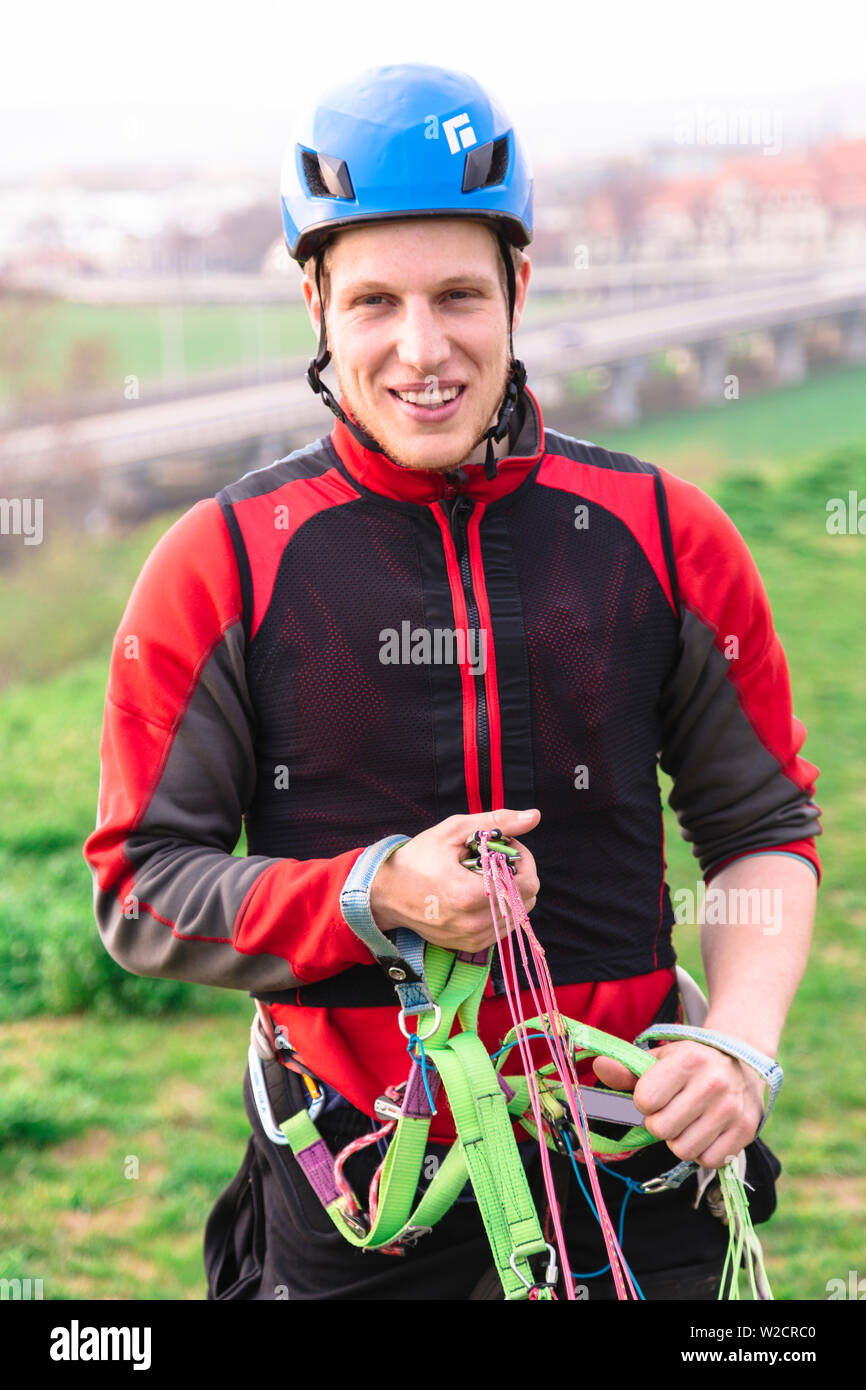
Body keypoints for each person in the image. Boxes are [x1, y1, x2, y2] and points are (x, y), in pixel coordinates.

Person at [83, 63, 821, 1301]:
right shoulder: (221, 563)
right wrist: (374, 895)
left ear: (518, 290)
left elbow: (760, 826)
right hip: (361, 1176)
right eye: (372, 300)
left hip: (629, 1161)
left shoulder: (662, 532)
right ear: (314, 301)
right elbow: (142, 891)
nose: (421, 349)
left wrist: (736, 1043)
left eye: (458, 296)